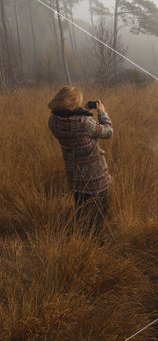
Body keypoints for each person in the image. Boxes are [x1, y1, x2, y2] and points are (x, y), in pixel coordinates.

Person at [48, 85, 114, 233]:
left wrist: (81, 110)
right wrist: (102, 113)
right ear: (72, 103)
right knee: (98, 211)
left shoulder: (53, 121)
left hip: (75, 174)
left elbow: (69, 121)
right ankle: (95, 242)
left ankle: (81, 237)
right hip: (95, 175)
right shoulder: (83, 122)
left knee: (81, 209)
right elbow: (108, 132)